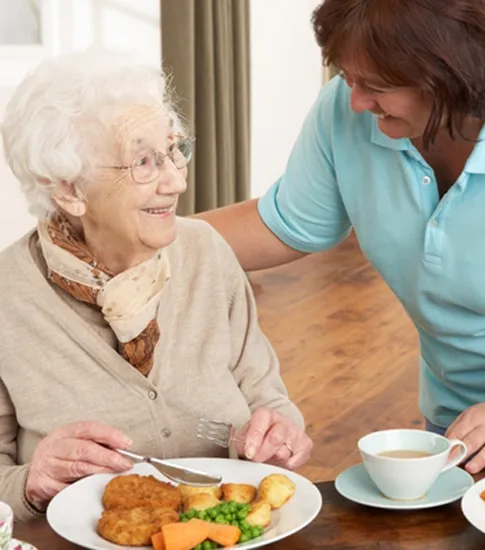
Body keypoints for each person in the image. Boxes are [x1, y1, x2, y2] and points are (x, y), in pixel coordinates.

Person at [198, 0, 485, 476]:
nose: (357, 102)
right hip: (460, 402)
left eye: (377, 86)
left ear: (449, 79)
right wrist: (151, 235)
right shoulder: (348, 113)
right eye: (348, 77)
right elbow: (284, 223)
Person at [0, 50, 313, 522]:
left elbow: (265, 395)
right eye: (143, 162)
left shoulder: (205, 251)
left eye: (173, 150)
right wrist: (30, 482)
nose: (176, 180)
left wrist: (280, 433)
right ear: (68, 189)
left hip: (225, 531)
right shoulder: (8, 296)